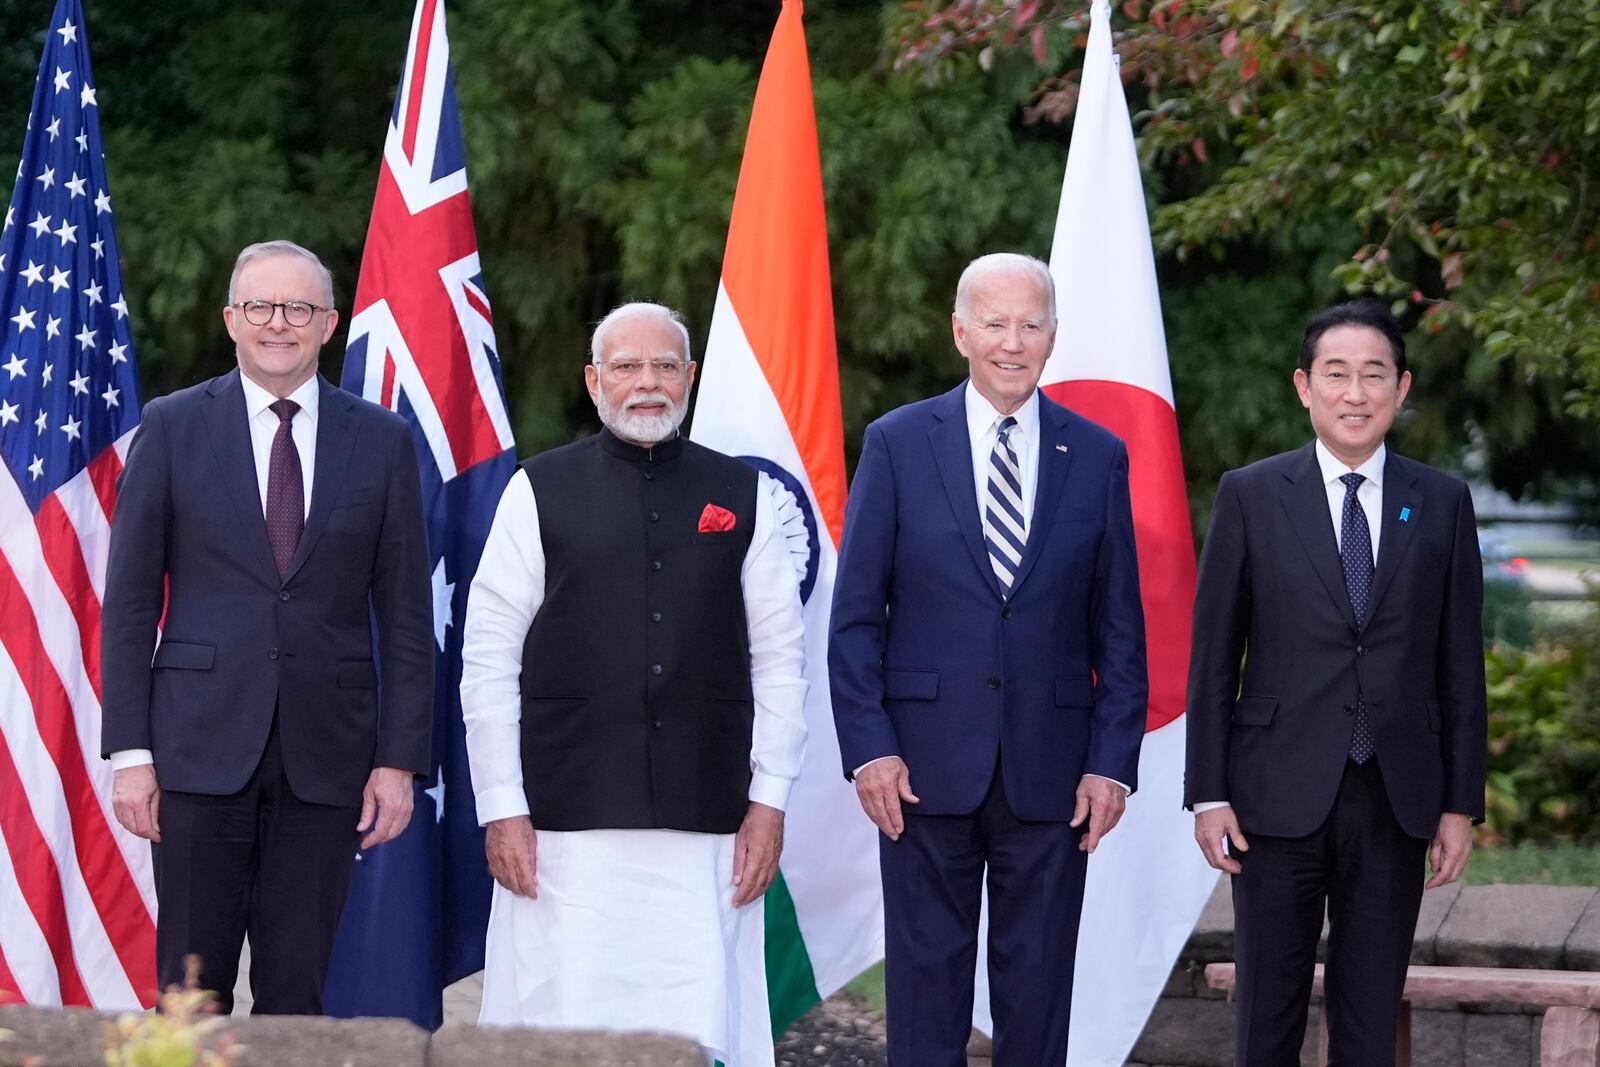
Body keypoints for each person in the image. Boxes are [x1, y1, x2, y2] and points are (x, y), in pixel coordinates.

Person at [459, 302, 807, 1066]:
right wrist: (502, 806)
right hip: (562, 823)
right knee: (565, 1023)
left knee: (695, 1023)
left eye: (663, 366)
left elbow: (781, 656)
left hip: (707, 819)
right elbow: (488, 658)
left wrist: (770, 799)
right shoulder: (536, 491)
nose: (645, 382)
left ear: (689, 376)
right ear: (594, 381)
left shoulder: (743, 495)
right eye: (626, 366)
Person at [829, 252, 1148, 1066]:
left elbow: (1120, 630)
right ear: (960, 331)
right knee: (925, 997)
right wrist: (869, 747)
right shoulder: (898, 443)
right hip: (920, 772)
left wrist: (1112, 764)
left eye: (1031, 324)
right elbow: (857, 617)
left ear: (1052, 336)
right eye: (996, 322)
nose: (1014, 341)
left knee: (1038, 997)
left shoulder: (1098, 454)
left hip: (1055, 774)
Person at [100, 240, 434, 1014]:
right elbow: (130, 604)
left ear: (328, 323)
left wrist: (397, 761)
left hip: (328, 760)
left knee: (296, 996)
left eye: (298, 308)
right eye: (259, 307)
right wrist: (132, 752)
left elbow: (409, 615)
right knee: (189, 995)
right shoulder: (174, 425)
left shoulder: (380, 440)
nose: (277, 323)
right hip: (194, 754)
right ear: (230, 320)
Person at [1184, 299, 1487, 1064]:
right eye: (1337, 374)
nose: (1356, 393)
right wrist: (1208, 790)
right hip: (1272, 796)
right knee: (1267, 1013)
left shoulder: (1444, 502)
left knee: (1369, 1014)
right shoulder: (1251, 494)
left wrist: (1460, 801)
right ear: (1303, 386)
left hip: (1395, 794)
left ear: (1401, 386)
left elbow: (1460, 662)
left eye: (1374, 375)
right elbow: (1215, 655)